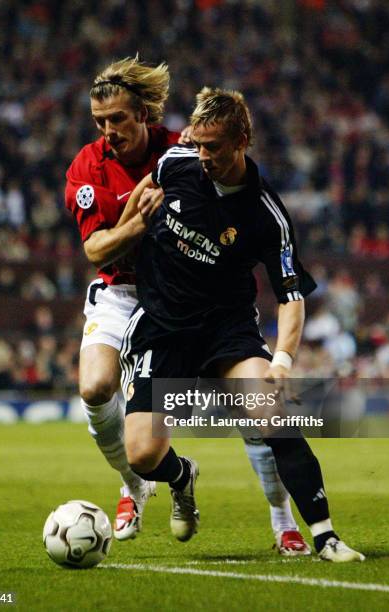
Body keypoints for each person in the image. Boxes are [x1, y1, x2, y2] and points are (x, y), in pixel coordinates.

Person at [65, 57, 307, 553]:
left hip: (185, 296)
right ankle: (138, 484)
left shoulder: (183, 150)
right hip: (121, 291)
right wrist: (135, 225)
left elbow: (232, 202)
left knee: (252, 404)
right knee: (93, 387)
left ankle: (283, 518)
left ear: (144, 116)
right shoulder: (88, 166)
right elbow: (94, 250)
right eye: (99, 122)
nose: (108, 131)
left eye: (117, 120)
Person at [118, 87, 365, 562]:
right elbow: (140, 199)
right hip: (163, 326)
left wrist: (284, 360)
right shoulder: (176, 164)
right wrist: (121, 236)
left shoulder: (267, 215)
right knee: (142, 456)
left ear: (242, 140)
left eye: (214, 146)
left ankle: (326, 536)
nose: (204, 155)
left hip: (226, 331)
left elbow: (291, 297)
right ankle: (181, 476)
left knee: (272, 413)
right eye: (200, 144)